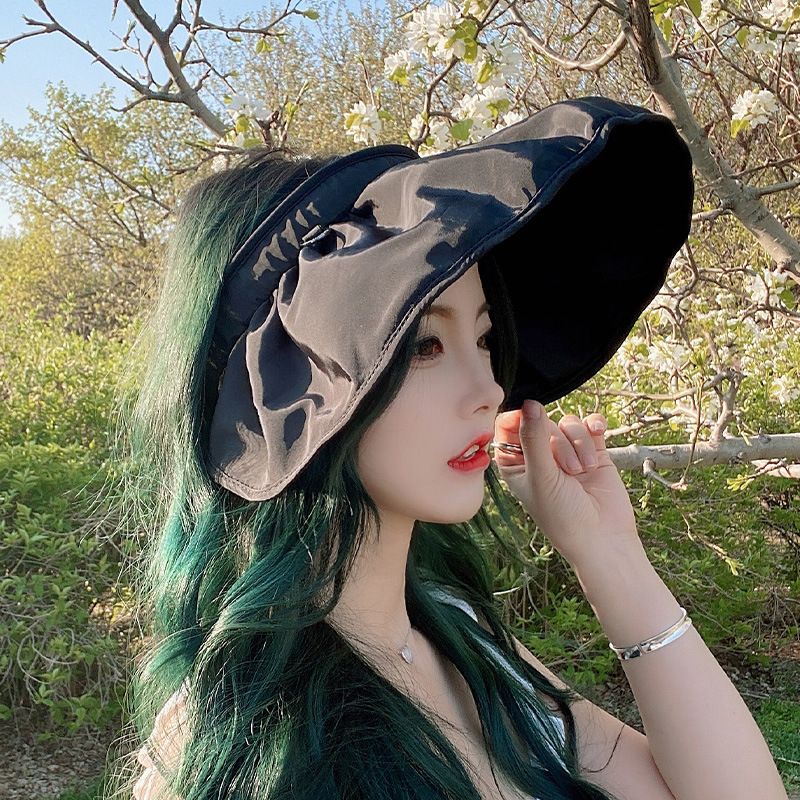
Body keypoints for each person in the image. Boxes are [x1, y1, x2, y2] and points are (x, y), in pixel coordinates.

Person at [123, 97, 788, 800]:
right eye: (424, 346)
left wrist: (609, 553)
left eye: (485, 337)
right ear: (290, 394)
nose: (488, 389)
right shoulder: (244, 743)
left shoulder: (464, 639)